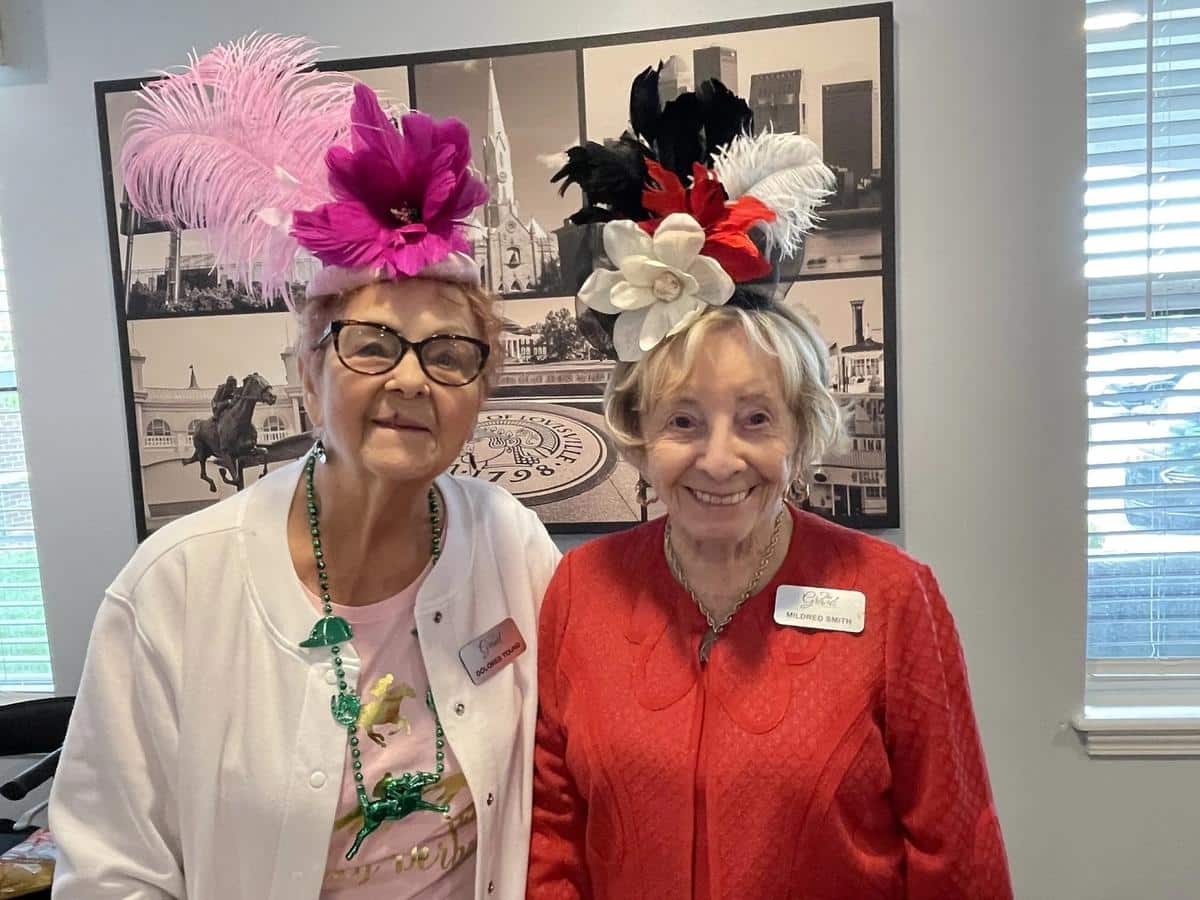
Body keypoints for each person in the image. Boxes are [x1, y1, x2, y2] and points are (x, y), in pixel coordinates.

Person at [50, 35, 558, 900]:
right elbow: (110, 872)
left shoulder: (512, 547)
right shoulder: (174, 589)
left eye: (448, 353)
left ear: (480, 390)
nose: (410, 380)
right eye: (372, 345)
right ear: (308, 374)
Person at [526, 67, 1012, 899]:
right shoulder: (579, 592)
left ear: (800, 428)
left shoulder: (894, 598)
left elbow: (955, 857)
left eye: (756, 418)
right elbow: (555, 838)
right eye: (684, 421)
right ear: (639, 430)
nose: (720, 460)